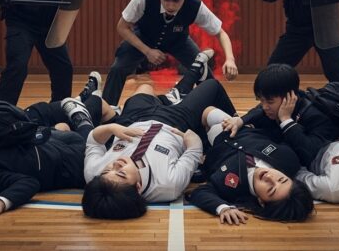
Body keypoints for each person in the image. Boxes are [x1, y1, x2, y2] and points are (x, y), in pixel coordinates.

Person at [82, 77, 238, 219]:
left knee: (145, 87)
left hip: (131, 119)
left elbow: (93, 142)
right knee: (211, 86)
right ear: (138, 188)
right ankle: (241, 127)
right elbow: (194, 149)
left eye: (107, 171)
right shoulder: (168, 184)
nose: (116, 164)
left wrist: (111, 128)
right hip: (175, 122)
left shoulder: (93, 174)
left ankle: (169, 99)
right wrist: (190, 138)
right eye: (121, 173)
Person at [101, 0, 239, 106]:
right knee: (117, 68)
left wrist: (230, 59)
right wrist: (147, 51)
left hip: (178, 41)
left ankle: (217, 111)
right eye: (166, 0)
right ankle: (105, 110)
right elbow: (122, 27)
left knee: (204, 73)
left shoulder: (195, 5)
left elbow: (221, 33)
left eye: (176, 1)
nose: (171, 5)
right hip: (144, 38)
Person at [188, 107, 314, 224]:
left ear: (261, 202)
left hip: (212, 141)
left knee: (203, 113)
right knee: (209, 107)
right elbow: (277, 132)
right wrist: (245, 122)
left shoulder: (234, 191)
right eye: (281, 179)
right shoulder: (289, 160)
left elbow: (199, 192)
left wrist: (223, 208)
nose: (269, 177)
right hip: (239, 126)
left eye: (270, 189)